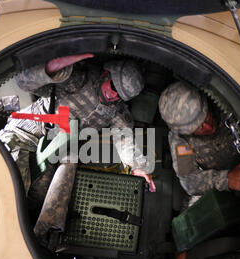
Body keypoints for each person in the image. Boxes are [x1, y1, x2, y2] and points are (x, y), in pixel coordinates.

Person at [14, 53, 156, 192]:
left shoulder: (116, 112)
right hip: (28, 132)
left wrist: (138, 167)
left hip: (56, 150)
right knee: (12, 184)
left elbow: (125, 141)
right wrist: (49, 69)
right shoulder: (78, 78)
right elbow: (23, 82)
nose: (113, 96)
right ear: (106, 74)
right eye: (113, 87)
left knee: (41, 194)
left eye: (120, 95)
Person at [158, 81, 240, 197]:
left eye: (206, 116)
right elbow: (189, 182)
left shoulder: (221, 97)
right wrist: (225, 179)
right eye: (199, 127)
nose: (209, 127)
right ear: (186, 132)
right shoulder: (181, 141)